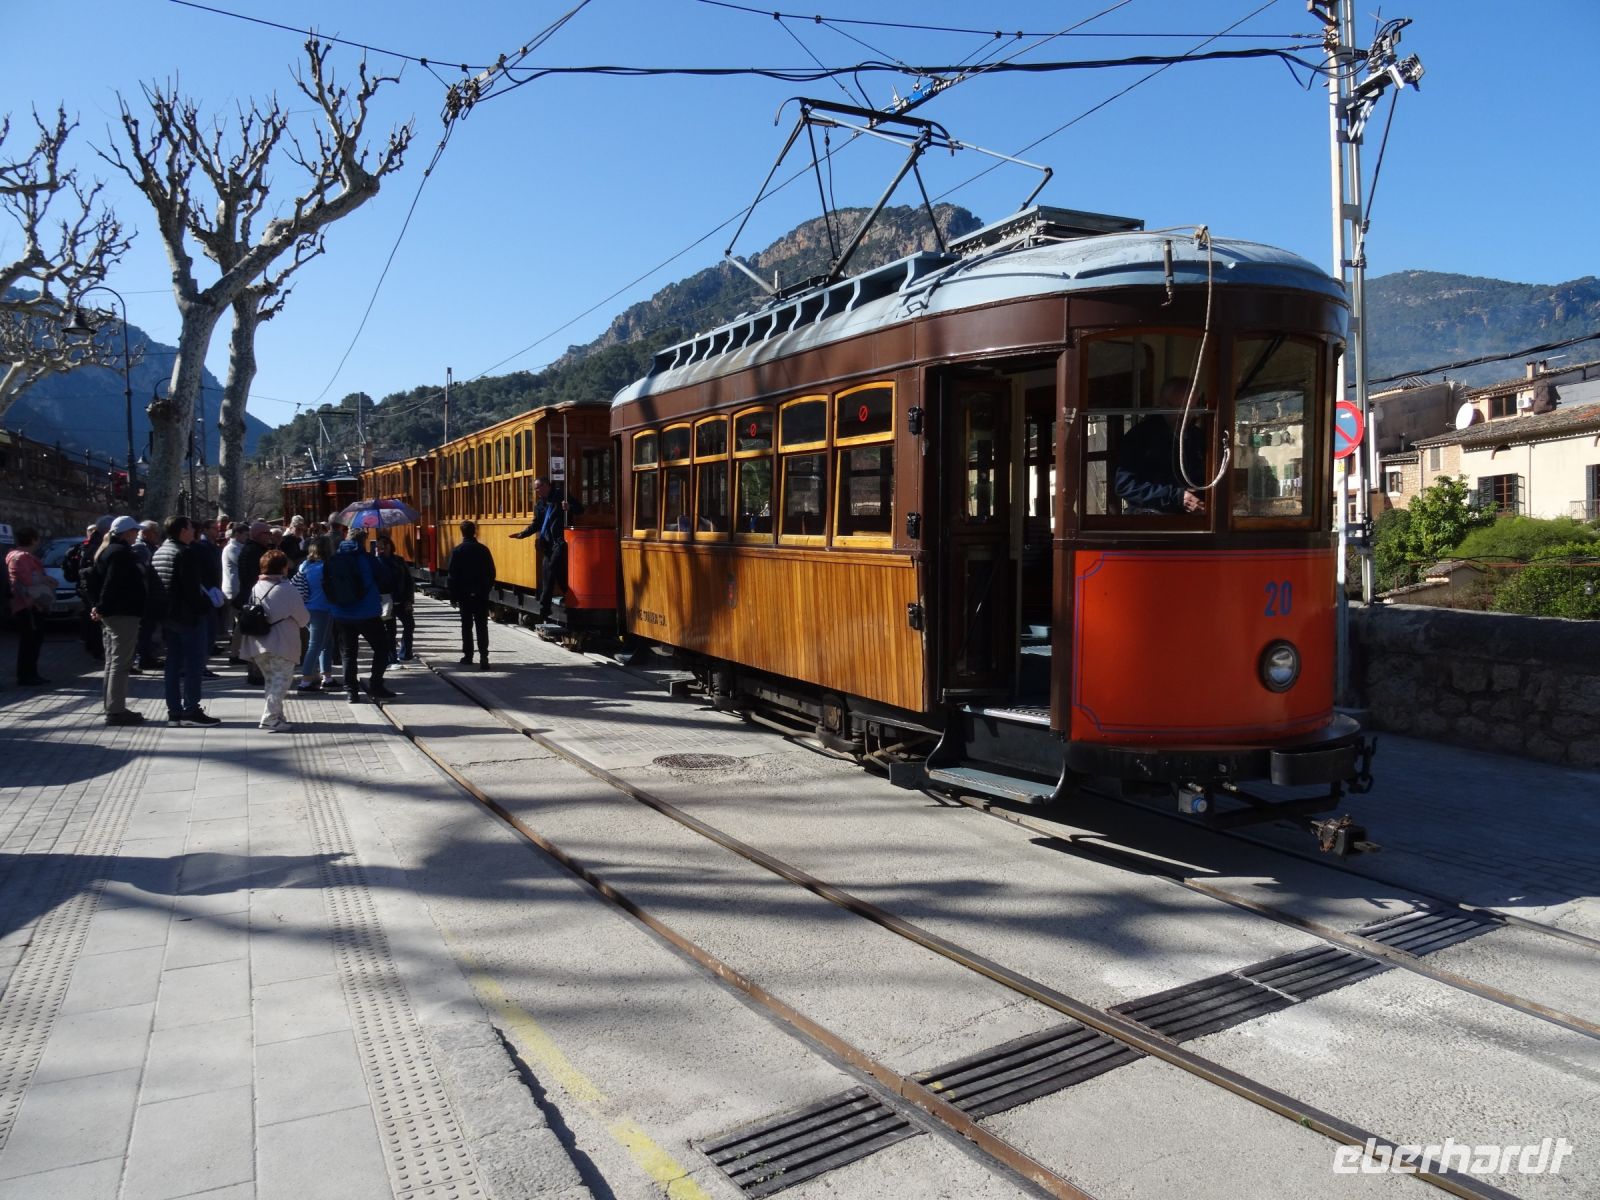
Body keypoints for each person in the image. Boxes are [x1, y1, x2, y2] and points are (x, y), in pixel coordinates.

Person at [151, 515, 221, 727]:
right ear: (182, 530)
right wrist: (205, 607)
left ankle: (174, 712)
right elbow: (191, 590)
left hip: (168, 615)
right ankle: (191, 710)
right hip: (187, 616)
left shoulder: (160, 551)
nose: (194, 532)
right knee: (193, 664)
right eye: (191, 528)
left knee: (173, 663)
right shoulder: (185, 553)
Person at [1114, 377, 1210, 516]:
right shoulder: (1141, 436)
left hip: (1193, 521)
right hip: (1152, 523)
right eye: (1174, 407)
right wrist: (1177, 497)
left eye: (1189, 408)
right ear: (1161, 403)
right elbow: (1125, 486)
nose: (1181, 414)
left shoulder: (1197, 437)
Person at [241, 548, 309, 731]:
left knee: (271, 681)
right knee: (282, 681)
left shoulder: (257, 586)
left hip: (258, 642)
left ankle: (278, 715)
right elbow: (303, 618)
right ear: (282, 568)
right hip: (282, 643)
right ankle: (270, 718)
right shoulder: (287, 589)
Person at [89, 515, 147, 725]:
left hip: (113, 613)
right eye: (134, 531)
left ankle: (112, 706)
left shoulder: (106, 551)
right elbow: (112, 583)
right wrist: (101, 606)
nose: (137, 534)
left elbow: (97, 582)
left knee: (112, 662)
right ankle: (116, 710)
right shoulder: (120, 553)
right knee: (120, 664)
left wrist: (97, 606)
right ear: (126, 532)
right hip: (122, 613)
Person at [325, 530, 395, 702]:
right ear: (364, 541)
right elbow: (386, 579)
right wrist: (382, 558)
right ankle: (376, 685)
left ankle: (351, 691)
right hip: (367, 613)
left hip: (341, 614)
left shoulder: (334, 559)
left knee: (348, 653)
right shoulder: (368, 559)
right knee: (382, 648)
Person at [509, 477, 582, 621]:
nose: (536, 491)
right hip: (548, 544)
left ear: (547, 486)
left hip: (561, 542)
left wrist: (570, 508)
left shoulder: (561, 497)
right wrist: (522, 534)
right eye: (535, 489)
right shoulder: (540, 505)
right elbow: (536, 524)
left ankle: (544, 607)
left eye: (538, 487)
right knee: (558, 574)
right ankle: (571, 600)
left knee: (550, 570)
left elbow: (580, 509)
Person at [7, 527, 54, 686]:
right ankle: (28, 675)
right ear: (33, 539)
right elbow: (29, 581)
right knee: (31, 642)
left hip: (20, 604)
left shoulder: (11, 555)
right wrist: (46, 580)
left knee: (28, 641)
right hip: (30, 605)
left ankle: (27, 674)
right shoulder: (24, 557)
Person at [446, 520, 496, 668]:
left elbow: (452, 576)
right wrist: (485, 589)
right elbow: (491, 572)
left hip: (464, 595)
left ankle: (468, 656)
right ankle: (484, 657)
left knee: (466, 626)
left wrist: (453, 596)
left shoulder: (458, 551)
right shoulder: (483, 550)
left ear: (462, 532)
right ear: (475, 532)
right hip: (481, 595)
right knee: (482, 626)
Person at [292, 536, 335, 691]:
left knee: (326, 643)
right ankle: (306, 680)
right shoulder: (326, 567)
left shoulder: (304, 565)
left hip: (308, 607)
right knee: (316, 645)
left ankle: (327, 676)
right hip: (323, 608)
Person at [235, 521, 272, 684]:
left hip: (251, 597)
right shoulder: (254, 551)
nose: (269, 536)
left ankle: (256, 672)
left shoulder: (250, 549)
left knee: (255, 638)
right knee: (258, 638)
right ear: (258, 534)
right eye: (266, 533)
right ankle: (257, 674)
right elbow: (254, 576)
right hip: (255, 599)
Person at [131, 519, 165, 673]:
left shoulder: (147, 547)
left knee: (148, 628)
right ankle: (143, 658)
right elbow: (141, 572)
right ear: (145, 533)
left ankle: (147, 656)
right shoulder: (141, 548)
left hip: (150, 594)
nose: (157, 536)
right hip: (146, 595)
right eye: (155, 532)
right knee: (145, 629)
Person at [375, 535, 415, 662]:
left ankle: (405, 652)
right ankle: (391, 657)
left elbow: (409, 581)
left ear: (390, 546)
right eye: (379, 545)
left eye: (385, 544)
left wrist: (409, 600)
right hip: (386, 600)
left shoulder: (399, 560)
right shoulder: (376, 562)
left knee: (409, 625)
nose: (382, 547)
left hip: (402, 599)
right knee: (390, 631)